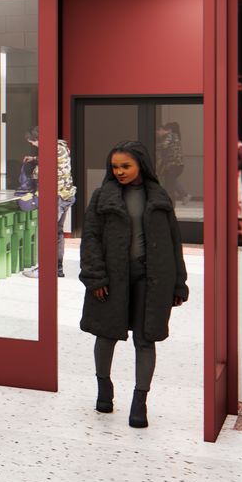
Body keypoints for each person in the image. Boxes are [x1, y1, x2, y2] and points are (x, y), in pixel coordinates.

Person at [79, 141, 188, 429]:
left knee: (145, 338)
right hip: (112, 278)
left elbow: (174, 242)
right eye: (115, 167)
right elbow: (90, 240)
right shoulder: (102, 197)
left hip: (151, 279)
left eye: (125, 166)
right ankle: (104, 388)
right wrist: (95, 277)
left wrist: (179, 282)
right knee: (106, 334)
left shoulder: (159, 197)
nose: (119, 172)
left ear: (141, 164)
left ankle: (140, 402)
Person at [17, 127, 76, 278]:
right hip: (66, 195)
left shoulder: (49, 150)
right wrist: (35, 159)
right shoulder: (60, 147)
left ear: (39, 139)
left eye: (33, 142)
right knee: (57, 233)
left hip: (55, 197)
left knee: (48, 234)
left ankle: (44, 269)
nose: (33, 145)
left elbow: (41, 174)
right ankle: (57, 268)